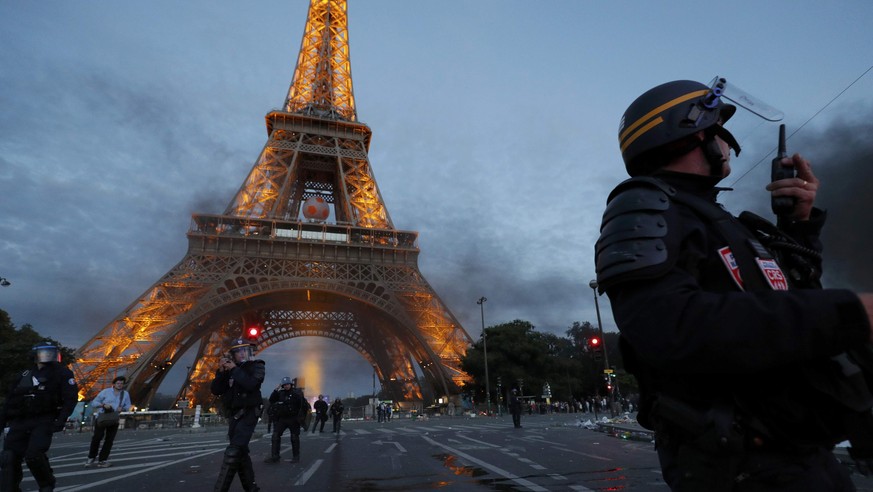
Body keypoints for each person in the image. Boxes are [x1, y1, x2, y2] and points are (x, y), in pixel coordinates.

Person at [595, 78, 873, 491]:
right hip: (741, 465)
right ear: (697, 132)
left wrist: (799, 228)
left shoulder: (720, 222)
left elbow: (785, 306)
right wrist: (851, 311)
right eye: (723, 133)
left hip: (794, 453)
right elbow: (670, 326)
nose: (730, 146)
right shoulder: (643, 205)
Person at [0, 341, 78, 492]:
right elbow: (10, 401)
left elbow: (70, 399)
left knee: (34, 455)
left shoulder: (63, 374)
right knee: (8, 457)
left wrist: (60, 420)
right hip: (20, 420)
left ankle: (46, 484)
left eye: (51, 352)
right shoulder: (24, 375)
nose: (48, 356)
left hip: (43, 420)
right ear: (34, 355)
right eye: (44, 352)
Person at [210, 338, 265, 492]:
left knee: (234, 450)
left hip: (249, 412)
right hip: (233, 415)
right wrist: (221, 373)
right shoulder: (228, 370)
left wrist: (234, 369)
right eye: (237, 351)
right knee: (241, 451)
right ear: (233, 354)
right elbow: (216, 390)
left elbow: (251, 384)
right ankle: (251, 488)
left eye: (244, 351)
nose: (241, 354)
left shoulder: (257, 366)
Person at [85, 376, 132, 468]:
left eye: (122, 383)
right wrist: (103, 405)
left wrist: (122, 408)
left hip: (114, 418)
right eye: (118, 383)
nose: (120, 385)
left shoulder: (125, 394)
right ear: (114, 384)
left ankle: (103, 460)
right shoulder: (105, 392)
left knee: (109, 440)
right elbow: (94, 403)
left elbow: (128, 406)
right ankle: (91, 457)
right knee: (97, 438)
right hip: (102, 417)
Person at [265, 377, 307, 464]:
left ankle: (296, 457)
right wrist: (276, 390)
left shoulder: (296, 393)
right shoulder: (280, 393)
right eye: (284, 385)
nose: (286, 386)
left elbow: (303, 405)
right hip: (282, 418)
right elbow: (272, 400)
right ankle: (275, 456)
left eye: (287, 384)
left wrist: (301, 418)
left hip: (293, 418)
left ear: (291, 384)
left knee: (294, 437)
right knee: (275, 436)